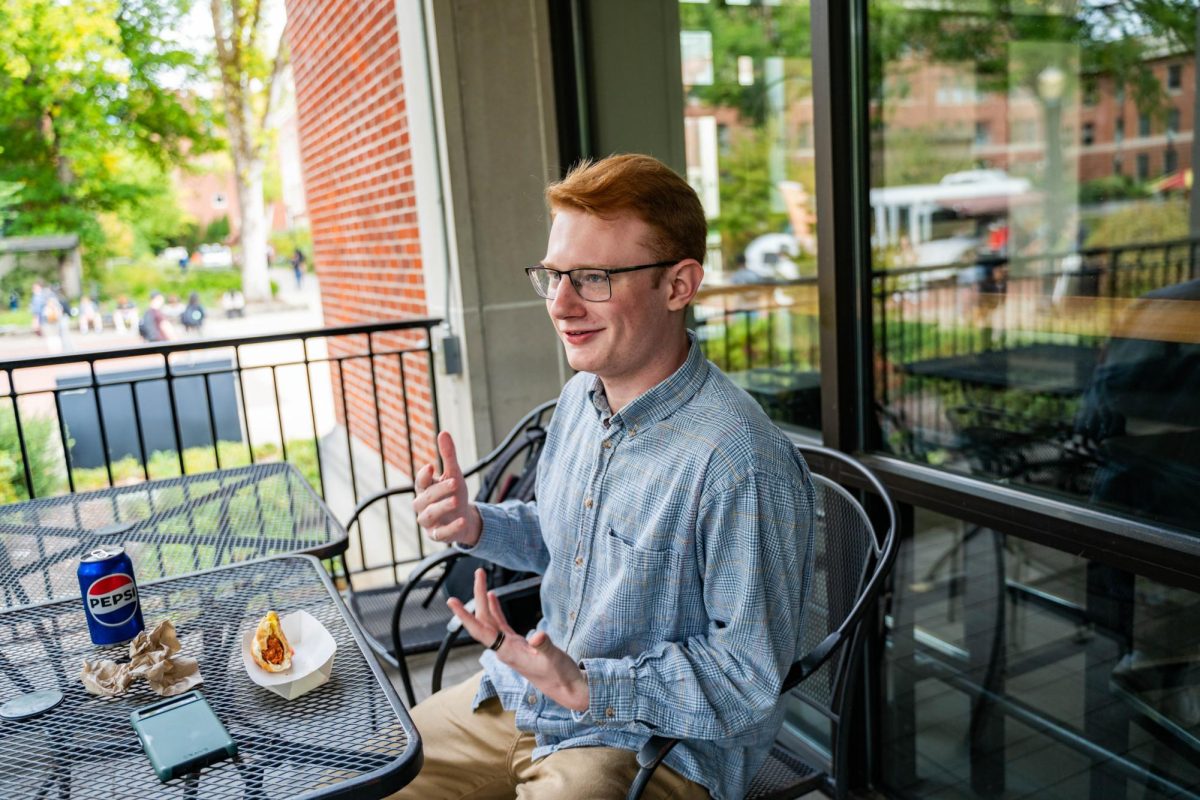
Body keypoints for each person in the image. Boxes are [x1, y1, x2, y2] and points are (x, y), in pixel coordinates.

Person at [393, 155, 816, 800]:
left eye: (593, 277)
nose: (561, 305)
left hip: (659, 747)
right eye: (554, 274)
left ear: (679, 285)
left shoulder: (739, 459)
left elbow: (747, 677)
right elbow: (563, 532)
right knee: (383, 767)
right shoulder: (581, 399)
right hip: (531, 696)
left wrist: (586, 685)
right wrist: (476, 523)